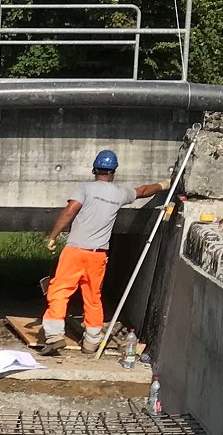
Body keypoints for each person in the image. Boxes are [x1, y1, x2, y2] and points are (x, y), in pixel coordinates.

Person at [40, 149, 165, 353]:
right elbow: (143, 191)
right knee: (93, 296)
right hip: (98, 256)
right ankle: (91, 341)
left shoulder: (85, 189)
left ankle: (54, 336)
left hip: (75, 251)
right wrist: (163, 185)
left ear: (94, 170)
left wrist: (53, 236)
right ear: (113, 171)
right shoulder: (119, 193)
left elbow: (70, 210)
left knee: (60, 290)